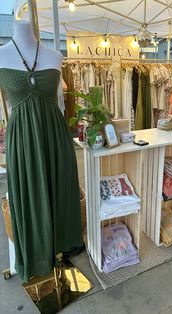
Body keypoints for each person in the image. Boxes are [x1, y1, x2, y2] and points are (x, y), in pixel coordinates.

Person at [0, 19, 84, 282]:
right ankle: (37, 259)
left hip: (55, 137)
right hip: (23, 142)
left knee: (59, 192)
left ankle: (60, 249)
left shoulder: (55, 56)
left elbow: (59, 101)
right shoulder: (1, 55)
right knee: (29, 196)